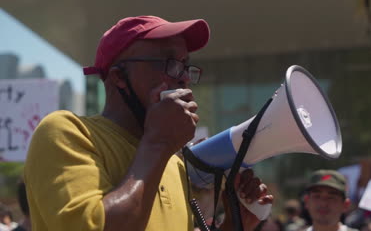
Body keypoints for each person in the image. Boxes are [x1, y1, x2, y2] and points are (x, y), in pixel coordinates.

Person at [24, 15, 273, 231]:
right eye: (169, 63)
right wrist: (158, 144)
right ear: (119, 77)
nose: (185, 77)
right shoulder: (66, 131)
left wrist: (234, 224)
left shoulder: (173, 163)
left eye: (186, 66)